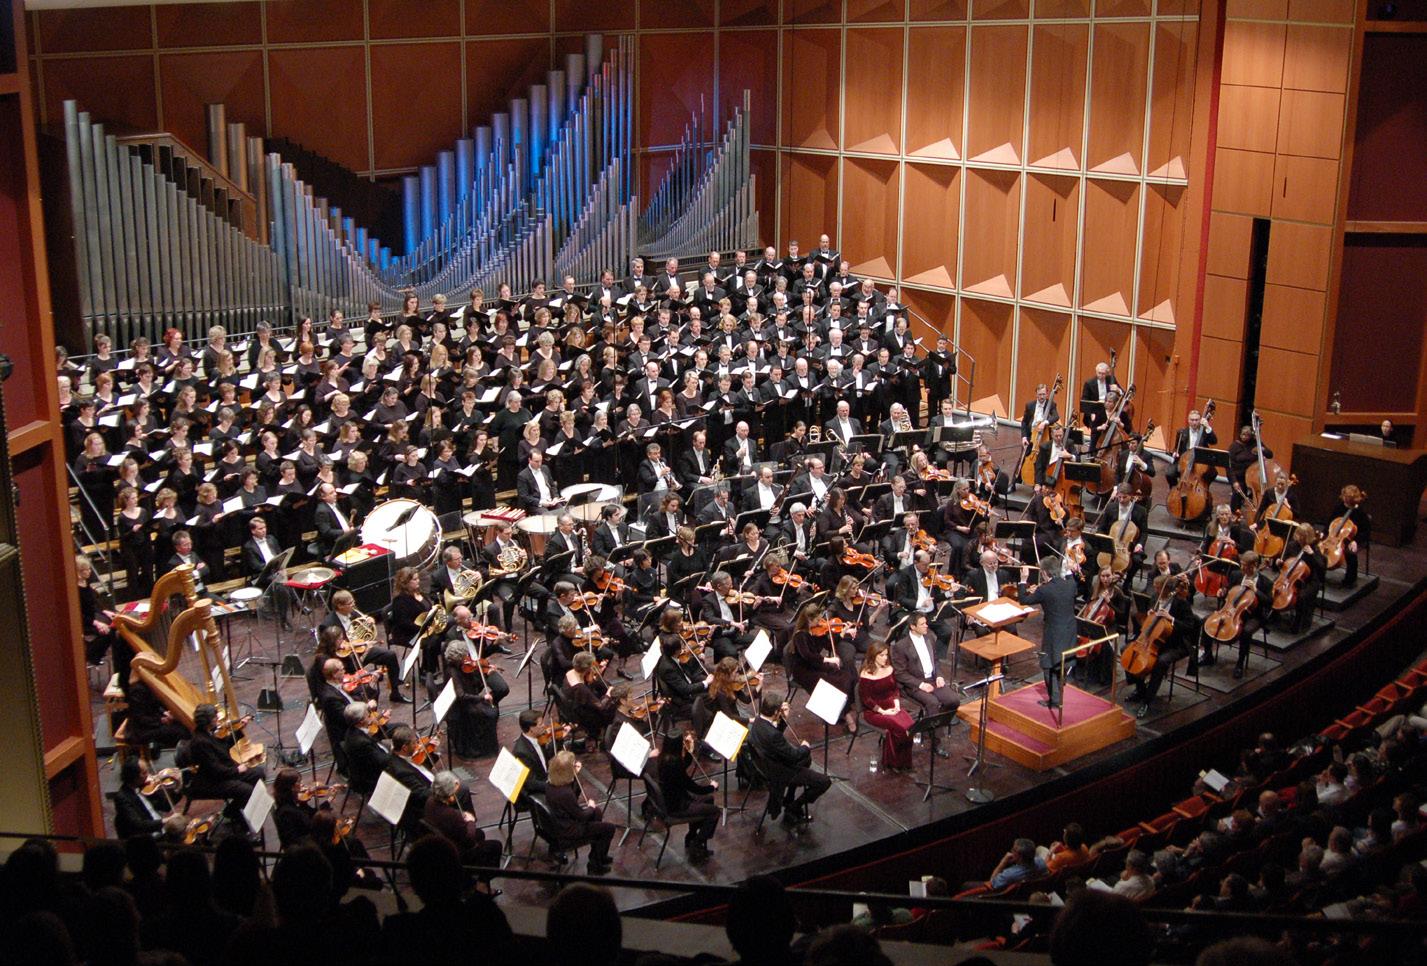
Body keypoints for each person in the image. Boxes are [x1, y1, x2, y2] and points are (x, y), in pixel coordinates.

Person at [746, 689, 832, 825]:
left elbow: (773, 738)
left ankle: (789, 797)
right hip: (780, 772)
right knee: (824, 781)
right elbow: (793, 756)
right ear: (776, 712)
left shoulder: (758, 722)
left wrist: (783, 720)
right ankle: (794, 807)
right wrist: (805, 747)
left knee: (807, 759)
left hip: (765, 765)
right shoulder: (773, 735)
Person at [185, 702, 265, 821]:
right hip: (212, 781)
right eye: (215, 717)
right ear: (207, 721)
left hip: (223, 772)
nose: (217, 719)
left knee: (259, 773)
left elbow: (223, 747)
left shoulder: (208, 732)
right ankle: (233, 813)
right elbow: (215, 769)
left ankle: (243, 807)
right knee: (246, 790)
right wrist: (237, 770)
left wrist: (239, 729)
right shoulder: (200, 742)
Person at [1018, 558, 1080, 709]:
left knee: (1049, 664)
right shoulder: (1070, 584)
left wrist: (1023, 580)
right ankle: (1061, 686)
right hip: (1070, 629)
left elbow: (1023, 600)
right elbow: (1070, 577)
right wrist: (1070, 569)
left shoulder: (1044, 590)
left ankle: (1055, 699)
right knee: (1063, 661)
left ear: (1045, 573)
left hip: (1054, 631)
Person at [545, 750, 616, 875]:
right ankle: (594, 865)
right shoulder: (565, 793)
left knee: (597, 813)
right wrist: (591, 807)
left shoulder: (550, 785)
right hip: (569, 830)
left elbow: (574, 797)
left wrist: (574, 775)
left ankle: (598, 857)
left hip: (562, 822)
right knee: (609, 828)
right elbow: (581, 816)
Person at [655, 729, 720, 862]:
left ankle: (691, 836)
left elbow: (682, 767)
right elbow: (694, 788)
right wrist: (712, 787)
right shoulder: (675, 765)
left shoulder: (664, 759)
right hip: (677, 806)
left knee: (709, 800)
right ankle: (697, 843)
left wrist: (689, 752)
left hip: (671, 799)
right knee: (715, 812)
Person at [424, 770, 502, 868]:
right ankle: (484, 876)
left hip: (443, 841)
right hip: (456, 852)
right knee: (496, 846)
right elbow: (469, 840)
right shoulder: (452, 815)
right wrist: (471, 821)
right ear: (450, 797)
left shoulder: (429, 801)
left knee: (480, 833)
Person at [858, 641, 914, 771]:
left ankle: (905, 762)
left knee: (911, 726)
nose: (885, 658)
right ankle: (893, 762)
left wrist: (897, 704)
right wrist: (883, 712)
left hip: (892, 706)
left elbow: (894, 690)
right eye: (882, 655)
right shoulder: (866, 674)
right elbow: (866, 699)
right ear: (874, 656)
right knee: (900, 728)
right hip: (874, 711)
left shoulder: (889, 668)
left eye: (886, 655)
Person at [112, 759, 170, 840]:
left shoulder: (146, 786)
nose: (149, 775)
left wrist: (177, 789)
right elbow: (138, 825)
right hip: (147, 838)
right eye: (144, 773)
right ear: (134, 777)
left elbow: (166, 806)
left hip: (161, 830)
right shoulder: (123, 798)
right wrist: (165, 821)